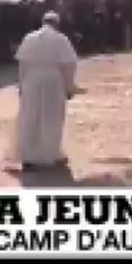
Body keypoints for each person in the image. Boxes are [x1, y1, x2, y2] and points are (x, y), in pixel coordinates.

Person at [12, 11, 81, 171]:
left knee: (30, 118)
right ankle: (52, 154)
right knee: (52, 119)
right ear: (56, 23)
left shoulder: (29, 38)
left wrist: (21, 85)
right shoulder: (61, 39)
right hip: (53, 82)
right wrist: (69, 87)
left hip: (32, 80)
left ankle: (28, 157)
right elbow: (68, 65)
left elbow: (22, 64)